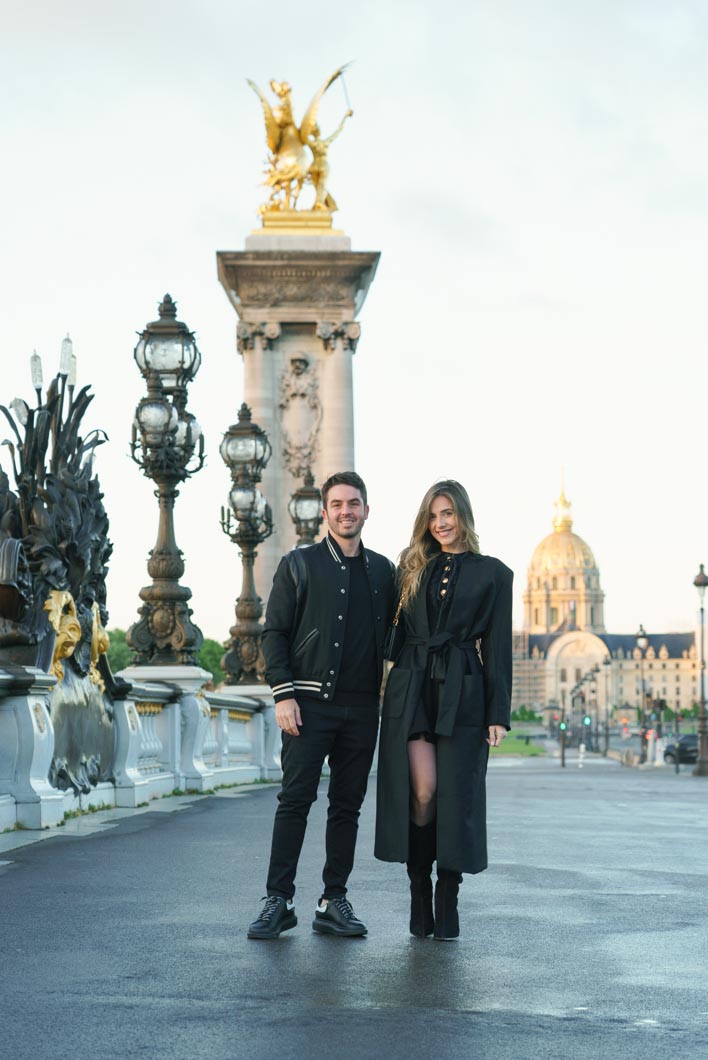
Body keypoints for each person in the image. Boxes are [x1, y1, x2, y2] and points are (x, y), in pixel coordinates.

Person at [247, 471, 395, 940]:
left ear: (366, 511)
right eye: (337, 504)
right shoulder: (299, 564)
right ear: (326, 512)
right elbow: (273, 633)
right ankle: (279, 898)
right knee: (295, 802)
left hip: (362, 708)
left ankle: (334, 900)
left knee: (346, 808)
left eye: (354, 503)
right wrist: (283, 693)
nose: (346, 511)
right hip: (308, 704)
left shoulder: (384, 570)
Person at [375, 480, 512, 941]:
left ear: (464, 516)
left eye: (448, 513)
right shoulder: (410, 567)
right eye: (434, 516)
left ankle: (447, 895)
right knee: (424, 791)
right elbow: (385, 633)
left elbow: (497, 649)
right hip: (412, 686)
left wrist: (498, 712)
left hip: (463, 690)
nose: (441, 523)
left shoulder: (494, 574)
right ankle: (418, 888)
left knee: (456, 796)